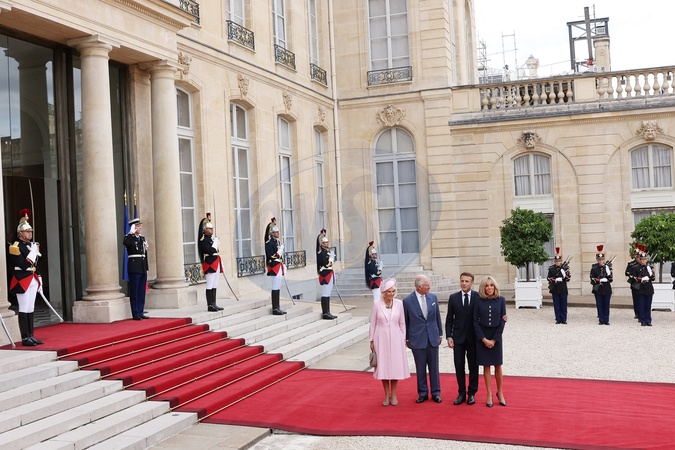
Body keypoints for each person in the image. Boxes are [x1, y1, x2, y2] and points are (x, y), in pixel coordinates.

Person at [369, 278, 410, 406]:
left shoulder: (399, 303)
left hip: (396, 338)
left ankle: (394, 394)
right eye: (389, 292)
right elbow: (373, 323)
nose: (391, 294)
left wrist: (403, 338)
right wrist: (371, 340)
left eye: (393, 291)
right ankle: (386, 395)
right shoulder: (377, 304)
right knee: (384, 366)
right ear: (384, 292)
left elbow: (402, 323)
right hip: (380, 338)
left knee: (395, 366)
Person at [403, 274, 443, 404]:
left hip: (432, 337)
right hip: (417, 338)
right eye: (427, 285)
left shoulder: (433, 297)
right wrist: (407, 338)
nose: (429, 287)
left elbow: (437, 317)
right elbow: (406, 321)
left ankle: (436, 392)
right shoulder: (407, 301)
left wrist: (440, 333)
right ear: (419, 287)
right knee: (420, 368)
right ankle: (423, 393)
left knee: (434, 367)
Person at [8, 209, 43, 346]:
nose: (30, 233)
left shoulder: (31, 245)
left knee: (31, 307)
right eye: (27, 232)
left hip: (32, 278)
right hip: (22, 279)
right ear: (20, 233)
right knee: (23, 307)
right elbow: (22, 264)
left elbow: (36, 264)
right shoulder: (15, 246)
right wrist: (33, 253)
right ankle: (24, 338)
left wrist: (39, 277)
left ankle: (31, 335)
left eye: (30, 231)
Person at [446, 272, 479, 405]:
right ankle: (461, 393)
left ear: (472, 283)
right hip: (458, 338)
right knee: (459, 366)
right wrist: (449, 336)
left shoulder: (478, 297)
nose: (464, 283)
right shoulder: (453, 298)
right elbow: (449, 319)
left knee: (473, 367)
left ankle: (472, 393)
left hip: (473, 339)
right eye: (462, 281)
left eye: (467, 281)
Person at [473, 275, 507, 408]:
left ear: (495, 287)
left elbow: (503, 320)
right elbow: (475, 321)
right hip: (483, 337)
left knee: (498, 365)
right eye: (487, 285)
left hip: (496, 337)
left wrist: (494, 339)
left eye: (491, 285)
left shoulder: (501, 300)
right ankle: (489, 393)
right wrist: (483, 339)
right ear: (483, 287)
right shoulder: (478, 301)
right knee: (486, 366)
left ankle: (500, 392)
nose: (489, 288)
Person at [123, 217, 149, 320]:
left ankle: (141, 311)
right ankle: (135, 313)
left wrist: (146, 267)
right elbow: (126, 243)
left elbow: (144, 254)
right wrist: (130, 233)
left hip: (142, 267)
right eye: (137, 226)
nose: (140, 228)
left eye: (140, 226)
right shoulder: (129, 238)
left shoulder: (142, 239)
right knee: (135, 291)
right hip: (134, 267)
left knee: (141, 291)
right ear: (133, 227)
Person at [198, 213, 224, 312]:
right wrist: (215, 243)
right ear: (205, 229)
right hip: (209, 263)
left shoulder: (211, 239)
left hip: (215, 261)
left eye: (212, 228)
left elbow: (216, 251)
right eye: (209, 228)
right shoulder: (203, 240)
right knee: (210, 284)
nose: (212, 230)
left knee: (215, 284)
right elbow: (209, 251)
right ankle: (209, 305)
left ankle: (214, 303)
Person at [265, 218, 286, 315]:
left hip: (278, 265)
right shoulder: (269, 243)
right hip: (274, 266)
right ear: (272, 233)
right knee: (275, 286)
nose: (278, 233)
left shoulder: (277, 242)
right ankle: (275, 308)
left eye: (278, 232)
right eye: (276, 232)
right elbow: (270, 256)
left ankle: (278, 307)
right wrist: (279, 252)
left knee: (278, 287)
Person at [590, 245, 613, 325]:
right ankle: (601, 320)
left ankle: (606, 320)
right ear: (597, 260)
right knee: (599, 305)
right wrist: (599, 280)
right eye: (599, 260)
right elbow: (592, 279)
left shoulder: (607, 268)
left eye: (602, 259)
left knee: (606, 305)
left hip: (606, 288)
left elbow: (611, 279)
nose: (601, 261)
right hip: (598, 289)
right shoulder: (594, 268)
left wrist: (608, 272)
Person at [316, 229, 336, 320]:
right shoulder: (321, 253)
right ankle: (325, 312)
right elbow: (325, 264)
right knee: (325, 293)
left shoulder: (327, 252)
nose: (327, 244)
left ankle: (328, 311)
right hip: (325, 274)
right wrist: (331, 259)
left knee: (328, 293)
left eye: (327, 242)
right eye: (325, 243)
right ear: (322, 244)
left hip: (329, 273)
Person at [547, 247, 571, 324]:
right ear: (555, 261)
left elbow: (568, 278)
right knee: (556, 305)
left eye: (559, 261)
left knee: (563, 304)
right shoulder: (551, 268)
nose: (558, 263)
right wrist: (555, 279)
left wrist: (564, 275)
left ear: (561, 261)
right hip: (555, 288)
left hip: (563, 288)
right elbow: (548, 278)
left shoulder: (565, 268)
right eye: (556, 261)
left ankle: (563, 319)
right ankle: (558, 319)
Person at [633, 245, 655, 326]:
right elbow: (635, 278)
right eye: (642, 259)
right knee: (641, 305)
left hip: (648, 288)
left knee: (648, 305)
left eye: (644, 259)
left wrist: (649, 275)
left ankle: (648, 320)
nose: (643, 261)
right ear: (640, 259)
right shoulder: (636, 268)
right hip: (641, 288)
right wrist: (642, 279)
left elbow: (653, 277)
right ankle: (642, 320)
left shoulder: (649, 267)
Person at [626, 245, 641, 320]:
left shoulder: (642, 264)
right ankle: (637, 313)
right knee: (635, 299)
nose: (636, 256)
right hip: (634, 283)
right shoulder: (631, 264)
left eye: (637, 255)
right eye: (635, 255)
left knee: (641, 299)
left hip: (642, 284)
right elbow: (627, 273)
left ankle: (641, 313)